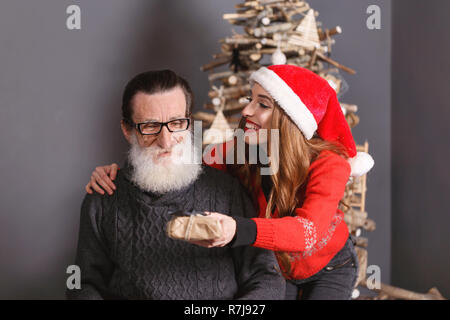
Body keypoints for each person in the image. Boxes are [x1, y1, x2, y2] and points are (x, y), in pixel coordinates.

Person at [87, 65, 374, 300]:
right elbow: (177, 157)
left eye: (262, 104)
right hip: (282, 269)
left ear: (289, 119)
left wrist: (237, 229)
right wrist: (119, 174)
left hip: (330, 266)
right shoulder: (242, 151)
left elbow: (307, 233)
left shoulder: (329, 165)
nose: (247, 111)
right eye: (250, 99)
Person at [67, 69, 285, 300]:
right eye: (150, 126)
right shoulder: (102, 198)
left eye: (177, 122)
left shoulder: (226, 190)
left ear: (189, 123)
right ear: (127, 130)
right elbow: (83, 286)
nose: (166, 141)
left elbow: (267, 278)